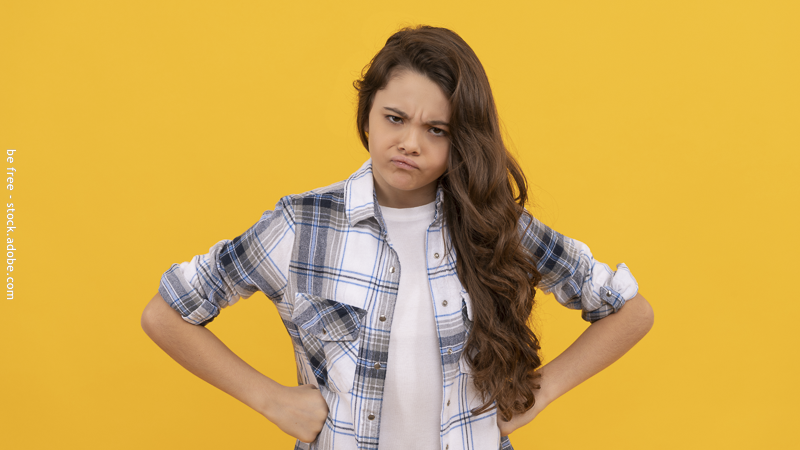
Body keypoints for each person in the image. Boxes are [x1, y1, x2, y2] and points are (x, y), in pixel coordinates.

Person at [141, 25, 654, 450]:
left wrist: (539, 393)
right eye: (395, 119)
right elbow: (165, 314)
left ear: (462, 140)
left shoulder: (494, 226)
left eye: (437, 130)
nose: (410, 143)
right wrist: (270, 399)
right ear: (367, 113)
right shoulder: (302, 226)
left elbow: (631, 311)